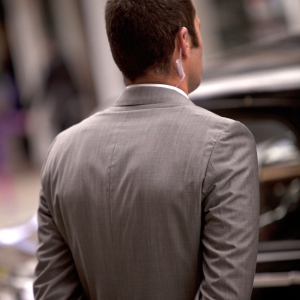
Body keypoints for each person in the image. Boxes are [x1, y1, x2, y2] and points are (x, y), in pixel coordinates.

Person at [34, 0, 260, 299]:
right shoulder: (224, 143)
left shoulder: (62, 151)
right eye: (198, 30)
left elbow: (51, 292)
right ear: (183, 41)